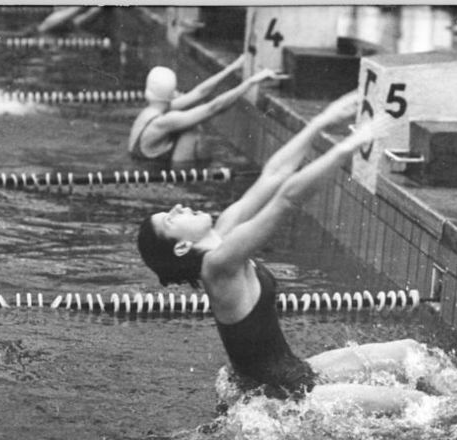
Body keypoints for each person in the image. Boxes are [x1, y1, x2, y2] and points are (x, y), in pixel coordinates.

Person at [137, 92, 427, 413]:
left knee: (410, 351)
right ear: (181, 246)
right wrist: (347, 147)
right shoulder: (218, 267)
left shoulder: (223, 234)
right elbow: (287, 199)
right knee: (416, 404)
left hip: (293, 371)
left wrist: (319, 122)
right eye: (170, 218)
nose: (177, 207)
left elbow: (274, 174)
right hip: (284, 397)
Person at [129, 55, 274, 168]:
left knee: (189, 126)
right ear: (172, 92)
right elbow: (213, 108)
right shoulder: (164, 121)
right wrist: (251, 82)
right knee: (191, 131)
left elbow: (200, 92)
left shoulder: (151, 111)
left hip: (141, 166)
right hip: (152, 172)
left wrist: (233, 67)